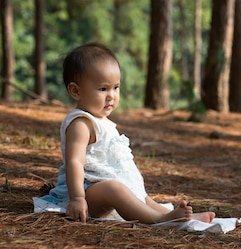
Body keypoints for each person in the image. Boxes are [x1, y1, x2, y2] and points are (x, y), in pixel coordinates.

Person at [35, 42, 215, 225]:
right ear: (76, 91)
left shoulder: (103, 121)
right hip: (87, 191)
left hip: (109, 186)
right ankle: (161, 220)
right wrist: (77, 198)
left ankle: (176, 217)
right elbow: (75, 161)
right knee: (115, 188)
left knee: (141, 196)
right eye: (103, 89)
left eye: (116, 87)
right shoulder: (81, 123)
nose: (111, 95)